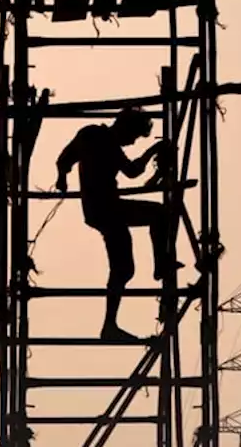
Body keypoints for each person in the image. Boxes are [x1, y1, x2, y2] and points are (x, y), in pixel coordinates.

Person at [55, 107, 180, 341]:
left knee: (126, 264)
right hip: (108, 209)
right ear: (125, 127)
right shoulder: (107, 142)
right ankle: (111, 324)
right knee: (156, 220)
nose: (131, 143)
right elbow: (132, 172)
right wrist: (153, 150)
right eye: (133, 137)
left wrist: (62, 178)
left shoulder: (89, 134)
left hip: (99, 209)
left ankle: (159, 267)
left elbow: (63, 160)